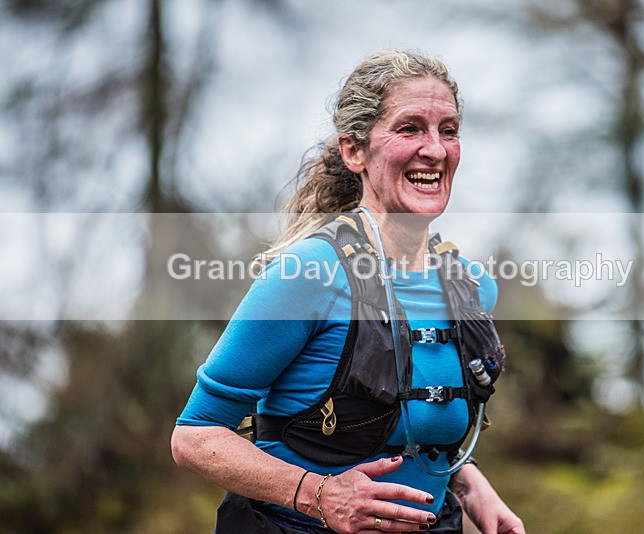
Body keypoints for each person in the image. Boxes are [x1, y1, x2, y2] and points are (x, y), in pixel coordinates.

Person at [171, 50, 525, 534]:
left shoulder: (473, 288)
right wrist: (320, 495)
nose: (436, 150)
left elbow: (410, 425)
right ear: (354, 151)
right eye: (410, 129)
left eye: (448, 130)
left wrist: (468, 484)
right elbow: (195, 436)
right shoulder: (309, 275)